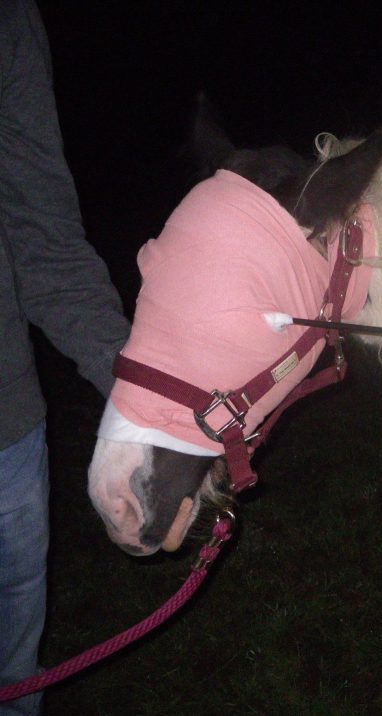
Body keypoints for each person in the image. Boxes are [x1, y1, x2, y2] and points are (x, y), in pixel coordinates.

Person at [1, 1, 130, 713]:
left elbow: (42, 238)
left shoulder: (9, 22)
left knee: (16, 677)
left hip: (7, 435)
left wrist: (145, 395)